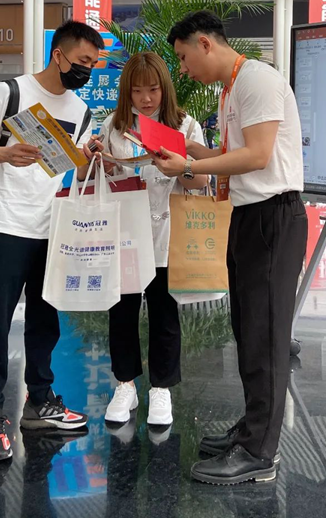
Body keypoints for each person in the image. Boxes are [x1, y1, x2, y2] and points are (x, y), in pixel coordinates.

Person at [150, 11, 307, 486]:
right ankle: (252, 427)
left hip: (273, 216)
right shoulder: (231, 89)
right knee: (247, 329)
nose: (182, 69)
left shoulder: (257, 79)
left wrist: (190, 166)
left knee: (266, 336)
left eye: (183, 57)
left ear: (205, 43)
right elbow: (232, 157)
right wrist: (187, 153)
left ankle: (260, 452)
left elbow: (258, 155)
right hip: (248, 215)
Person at [0, 19, 105, 464]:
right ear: (58, 55)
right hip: (6, 223)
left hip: (52, 228)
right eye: (82, 61)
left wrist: (89, 156)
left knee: (45, 322)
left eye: (93, 64)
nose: (87, 70)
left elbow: (71, 167)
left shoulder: (81, 109)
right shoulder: (11, 92)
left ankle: (39, 401)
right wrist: (5, 153)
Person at [99, 52, 208, 428]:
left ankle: (161, 388)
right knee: (122, 312)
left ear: (165, 88)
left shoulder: (185, 126)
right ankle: (125, 384)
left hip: (168, 233)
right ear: (126, 92)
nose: (145, 98)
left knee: (164, 312)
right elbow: (100, 175)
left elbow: (202, 180)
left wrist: (180, 165)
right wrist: (100, 161)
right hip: (126, 233)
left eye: (153, 89)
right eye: (137, 91)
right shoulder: (114, 126)